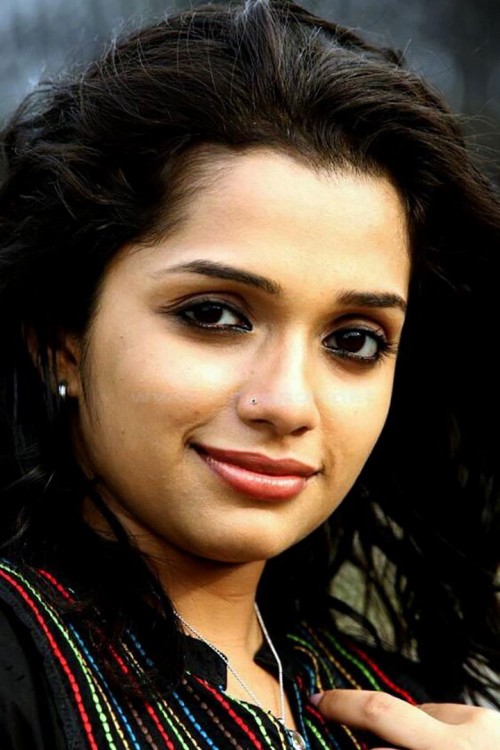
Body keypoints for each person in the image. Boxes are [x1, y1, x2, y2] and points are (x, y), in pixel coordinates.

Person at [0, 1, 498, 748]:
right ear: (61, 339)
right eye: (214, 314)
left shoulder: (416, 712)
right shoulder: (22, 667)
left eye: (355, 340)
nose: (288, 402)